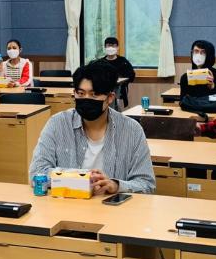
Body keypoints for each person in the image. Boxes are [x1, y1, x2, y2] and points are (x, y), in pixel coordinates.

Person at [29, 60, 155, 194]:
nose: (86, 99)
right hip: (67, 204)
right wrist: (81, 178)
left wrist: (116, 186)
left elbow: (147, 184)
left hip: (110, 205)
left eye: (94, 94)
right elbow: (37, 173)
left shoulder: (132, 130)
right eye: (81, 93)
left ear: (110, 97)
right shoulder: (58, 124)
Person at [101, 37, 135, 107]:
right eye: (109, 46)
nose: (111, 48)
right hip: (103, 92)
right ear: (105, 47)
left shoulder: (123, 61)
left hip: (120, 91)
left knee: (118, 109)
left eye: (113, 46)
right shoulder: (101, 62)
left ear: (117, 47)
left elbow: (132, 75)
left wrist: (122, 80)